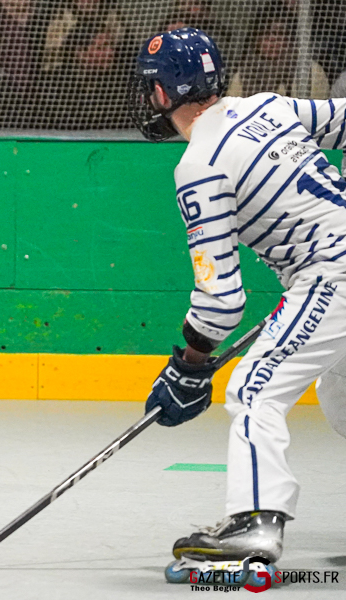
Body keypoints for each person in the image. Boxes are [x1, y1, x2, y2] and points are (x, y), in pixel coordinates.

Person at [130, 27, 346, 565]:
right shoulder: (268, 108)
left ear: (163, 94)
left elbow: (222, 298)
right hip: (330, 269)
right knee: (340, 391)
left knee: (255, 389)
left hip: (332, 274)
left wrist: (189, 365)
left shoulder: (199, 164)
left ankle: (254, 524)